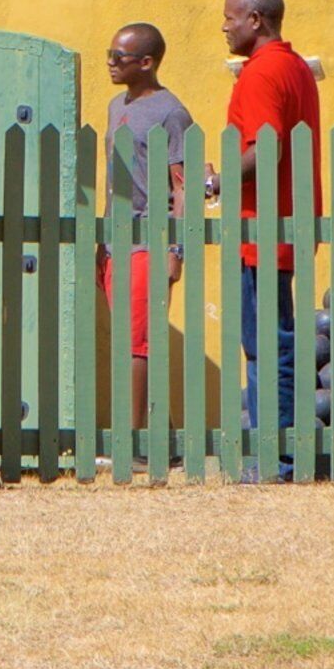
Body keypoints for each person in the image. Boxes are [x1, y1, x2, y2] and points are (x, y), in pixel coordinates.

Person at [220, 0, 324, 470]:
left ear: (255, 20)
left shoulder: (262, 73)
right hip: (285, 220)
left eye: (230, 17)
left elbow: (266, 151)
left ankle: (274, 458)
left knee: (266, 347)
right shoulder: (296, 66)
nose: (224, 26)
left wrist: (216, 179)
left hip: (262, 226)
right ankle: (280, 453)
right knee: (275, 340)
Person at [100, 24, 198, 428]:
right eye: (110, 53)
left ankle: (135, 442)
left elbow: (184, 186)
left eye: (118, 57)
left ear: (146, 62)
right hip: (115, 241)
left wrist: (176, 251)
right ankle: (164, 436)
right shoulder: (114, 106)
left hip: (151, 240)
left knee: (137, 344)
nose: (110, 62)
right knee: (132, 339)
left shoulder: (171, 113)